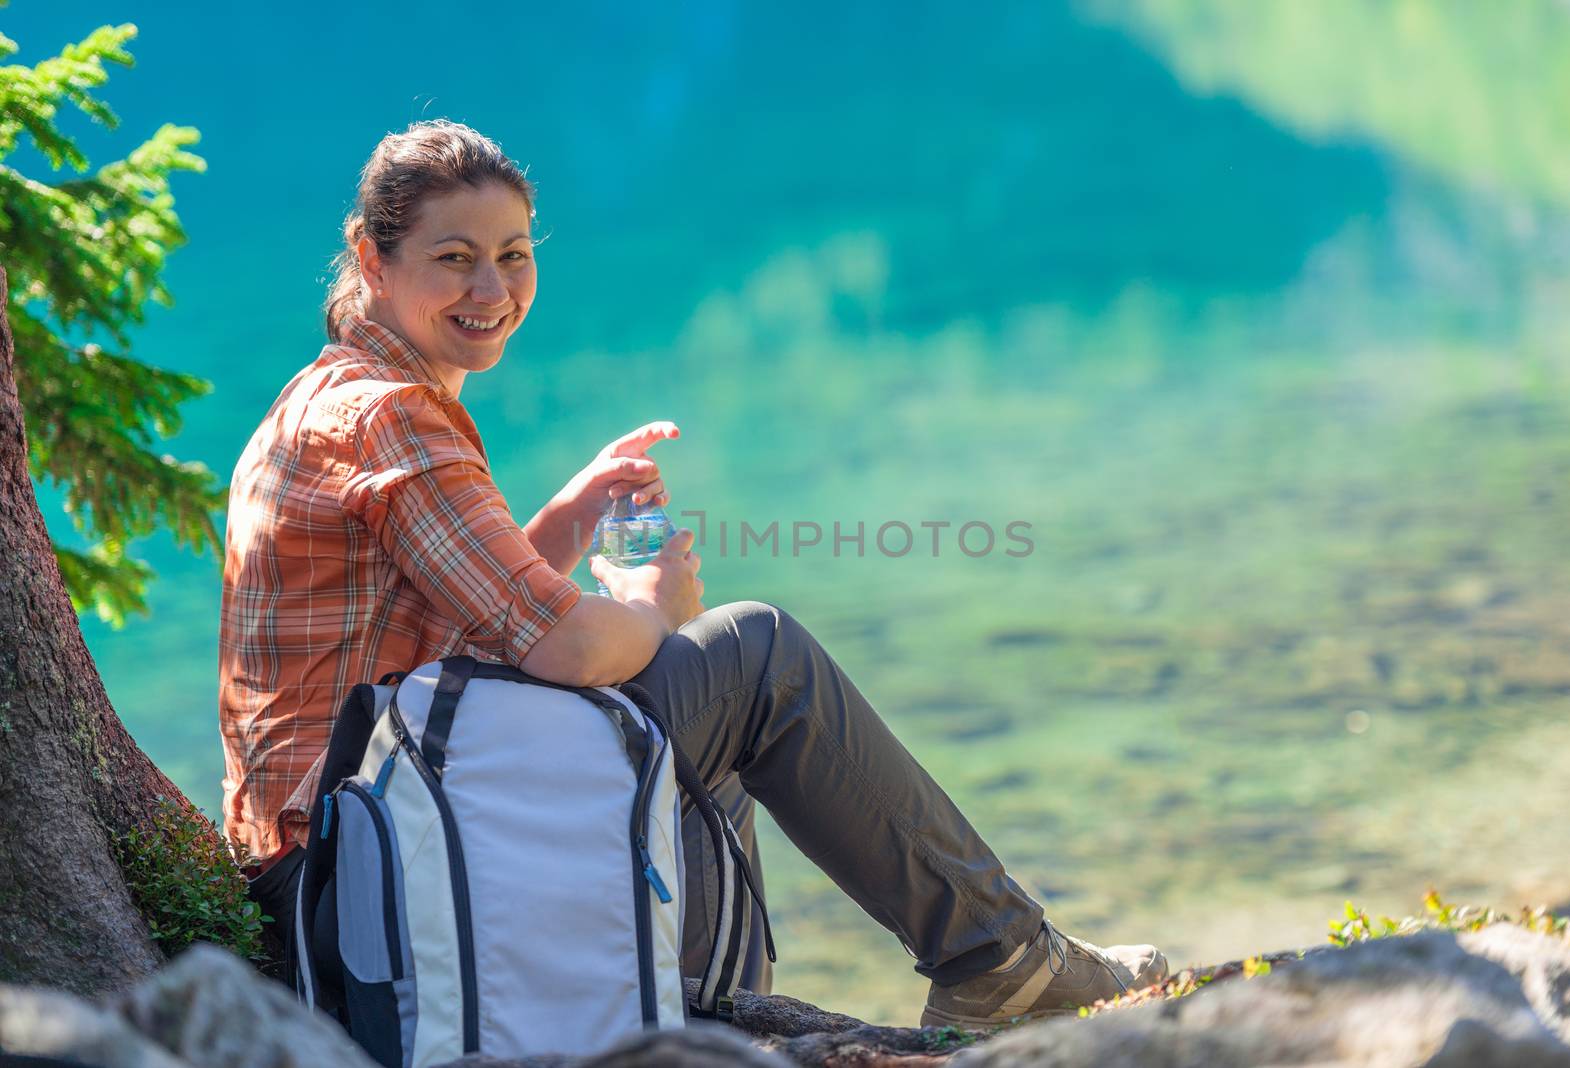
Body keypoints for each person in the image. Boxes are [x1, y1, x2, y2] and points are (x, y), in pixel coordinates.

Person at [218, 119, 1168, 1028]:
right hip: (370, 866)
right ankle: (999, 961)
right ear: (374, 259)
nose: (493, 286)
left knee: (701, 710)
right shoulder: (388, 418)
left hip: (336, 859)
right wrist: (650, 605)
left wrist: (569, 513)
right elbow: (566, 644)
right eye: (454, 257)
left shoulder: (326, 399)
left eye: (514, 253)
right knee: (755, 658)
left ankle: (714, 1009)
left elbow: (459, 611)